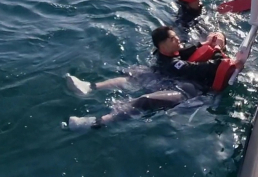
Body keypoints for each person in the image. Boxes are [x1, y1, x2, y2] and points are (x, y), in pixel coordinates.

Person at [64, 26, 242, 130]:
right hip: (179, 82)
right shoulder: (171, 62)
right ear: (162, 45)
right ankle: (91, 88)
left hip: (190, 92)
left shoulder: (166, 55)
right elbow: (198, 65)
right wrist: (217, 49)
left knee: (144, 100)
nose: (178, 39)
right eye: (173, 38)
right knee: (135, 74)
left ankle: (95, 123)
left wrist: (207, 45)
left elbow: (196, 58)